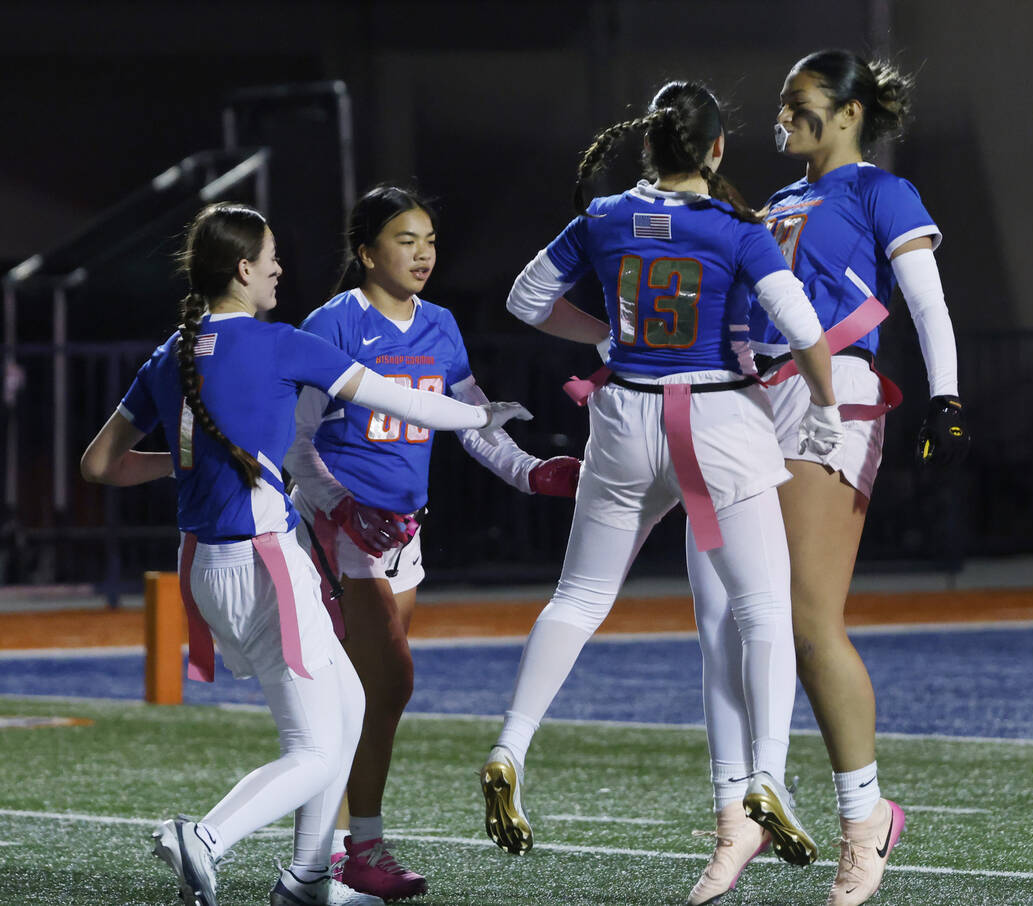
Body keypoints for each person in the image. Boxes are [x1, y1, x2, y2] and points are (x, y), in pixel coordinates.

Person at [79, 202, 529, 906]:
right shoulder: (282, 343)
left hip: (201, 564)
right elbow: (397, 399)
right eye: (271, 256)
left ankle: (309, 881)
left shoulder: (171, 351)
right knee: (316, 748)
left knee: (349, 706)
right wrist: (481, 415)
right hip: (265, 566)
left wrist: (194, 461)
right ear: (243, 269)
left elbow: (100, 464)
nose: (280, 268)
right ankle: (204, 836)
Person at [478, 79, 845, 888]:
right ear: (716, 151)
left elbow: (525, 297)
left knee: (577, 600)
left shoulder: (605, 217)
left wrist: (606, 329)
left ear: (647, 148)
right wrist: (823, 410)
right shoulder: (734, 229)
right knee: (761, 615)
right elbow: (807, 333)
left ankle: (511, 744)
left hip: (625, 419)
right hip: (715, 423)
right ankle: (766, 778)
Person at [685, 50, 971, 906]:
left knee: (808, 619)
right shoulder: (773, 201)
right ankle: (740, 817)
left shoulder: (882, 191)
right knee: (735, 624)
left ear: (848, 113)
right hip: (751, 397)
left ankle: (866, 817)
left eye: (799, 101)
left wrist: (948, 397)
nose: (784, 113)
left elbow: (927, 305)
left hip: (833, 389)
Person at [283, 185, 580, 901]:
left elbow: (470, 421)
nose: (422, 254)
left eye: (430, 241)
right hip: (338, 530)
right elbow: (294, 443)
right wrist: (342, 506)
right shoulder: (333, 325)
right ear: (365, 252)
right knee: (388, 681)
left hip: (402, 532)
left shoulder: (441, 324)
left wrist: (532, 473)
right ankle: (339, 853)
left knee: (371, 701)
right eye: (404, 240)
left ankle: (339, 853)